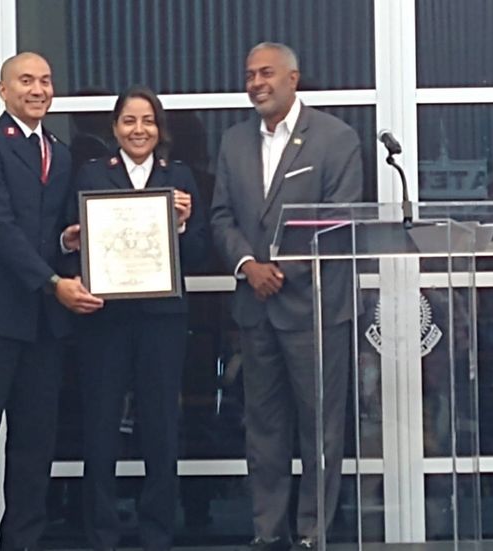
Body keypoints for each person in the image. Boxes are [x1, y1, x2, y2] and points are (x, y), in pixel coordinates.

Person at [0, 52, 104, 551]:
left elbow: (42, 233)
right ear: (3, 90)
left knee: (34, 451)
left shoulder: (60, 151)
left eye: (46, 81)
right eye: (26, 80)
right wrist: (54, 281)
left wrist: (69, 244)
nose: (38, 89)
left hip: (41, 328)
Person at [210, 42, 363, 550]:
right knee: (264, 430)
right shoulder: (232, 141)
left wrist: (283, 269)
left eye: (267, 73)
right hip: (255, 308)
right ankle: (267, 532)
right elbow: (221, 217)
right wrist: (248, 266)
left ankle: (313, 533)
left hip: (315, 310)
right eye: (250, 73)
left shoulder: (336, 139)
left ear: (294, 77)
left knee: (321, 430)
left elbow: (340, 218)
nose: (256, 82)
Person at [73, 86, 209, 551]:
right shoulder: (92, 174)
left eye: (147, 121)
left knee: (160, 429)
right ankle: (101, 536)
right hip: (105, 321)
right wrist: (74, 243)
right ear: (114, 128)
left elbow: (198, 254)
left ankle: (157, 535)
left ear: (159, 128)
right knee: (101, 428)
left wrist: (186, 224)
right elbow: (72, 244)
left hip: (161, 319)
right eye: (129, 121)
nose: (138, 130)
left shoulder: (181, 178)